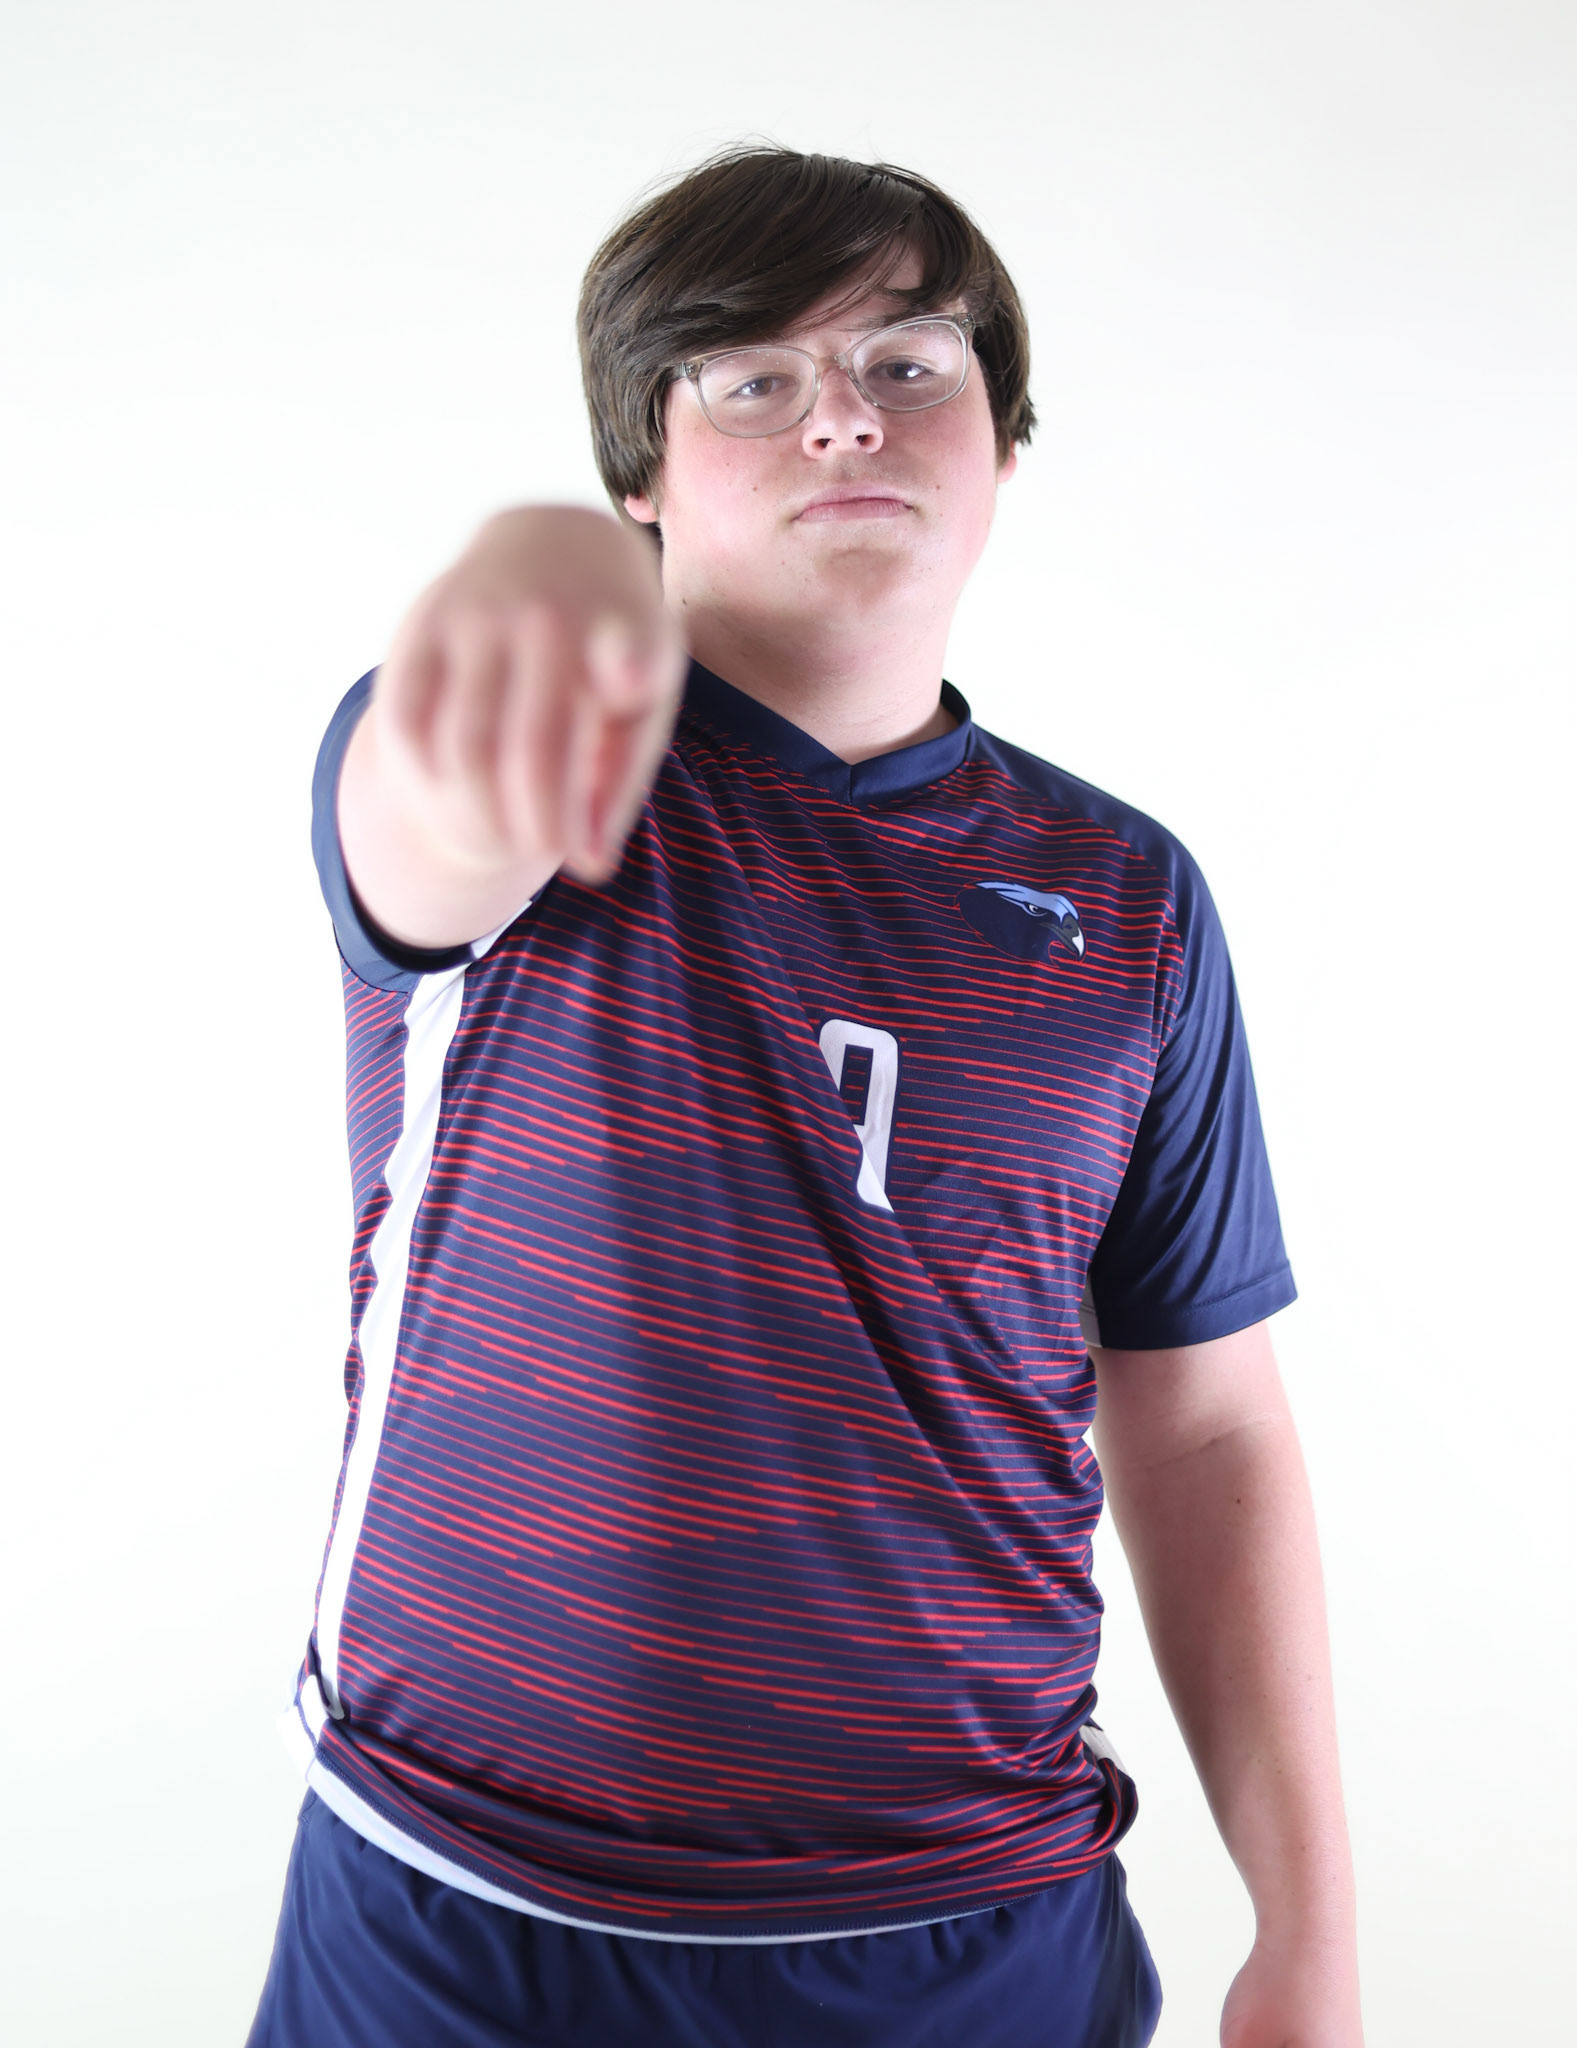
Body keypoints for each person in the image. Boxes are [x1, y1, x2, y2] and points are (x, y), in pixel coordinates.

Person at [247, 145, 1363, 2048]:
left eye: (910, 359)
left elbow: (1207, 1434)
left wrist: (1306, 1931)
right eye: (746, 377)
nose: (843, 407)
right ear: (643, 478)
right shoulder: (532, 762)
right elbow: (436, 813)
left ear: (1000, 447)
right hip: (465, 1913)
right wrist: (524, 579)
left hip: (973, 1930)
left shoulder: (1128, 899)